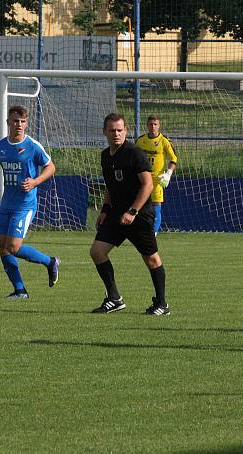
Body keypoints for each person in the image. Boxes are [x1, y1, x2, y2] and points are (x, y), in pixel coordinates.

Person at [0, 105, 60, 299]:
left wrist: (35, 182)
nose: (19, 125)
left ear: (26, 123)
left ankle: (50, 262)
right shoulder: (0, 147)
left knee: (13, 247)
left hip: (25, 204)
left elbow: (51, 167)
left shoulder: (33, 146)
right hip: (7, 203)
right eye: (15, 121)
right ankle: (20, 290)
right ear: (8, 123)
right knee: (2, 247)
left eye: (23, 121)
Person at [90, 113, 169, 316]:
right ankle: (114, 298)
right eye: (112, 130)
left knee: (151, 259)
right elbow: (110, 186)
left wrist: (133, 211)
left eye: (120, 130)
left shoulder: (135, 153)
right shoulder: (105, 156)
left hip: (139, 215)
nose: (116, 134)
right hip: (117, 214)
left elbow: (148, 185)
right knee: (97, 251)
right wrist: (105, 210)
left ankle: (162, 304)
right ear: (104, 132)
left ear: (126, 131)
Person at [135, 115, 178, 235]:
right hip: (142, 178)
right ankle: (138, 230)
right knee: (139, 204)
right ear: (147, 125)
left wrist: (168, 174)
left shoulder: (164, 141)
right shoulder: (141, 140)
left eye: (155, 124)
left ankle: (153, 233)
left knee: (156, 205)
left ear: (159, 125)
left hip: (157, 178)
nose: (153, 127)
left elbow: (174, 159)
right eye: (150, 124)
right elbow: (133, 157)